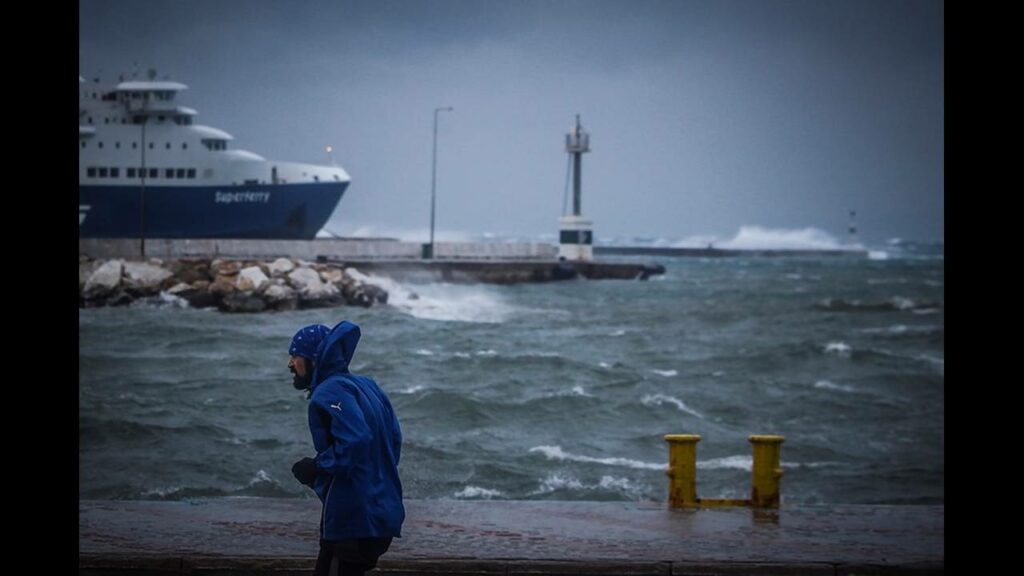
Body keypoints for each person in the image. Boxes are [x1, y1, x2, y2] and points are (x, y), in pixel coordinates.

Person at [287, 320, 405, 576]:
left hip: (353, 519)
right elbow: (394, 440)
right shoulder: (367, 385)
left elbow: (357, 440)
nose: (289, 364)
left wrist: (317, 467)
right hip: (383, 510)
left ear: (313, 359)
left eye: (295, 356)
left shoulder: (328, 391)